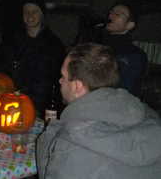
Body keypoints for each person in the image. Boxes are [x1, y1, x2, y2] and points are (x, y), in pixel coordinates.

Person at [37, 43, 161, 179]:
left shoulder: (70, 148)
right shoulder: (151, 118)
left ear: (77, 86)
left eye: (63, 77)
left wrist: (47, 138)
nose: (60, 81)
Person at [0, 1, 65, 117]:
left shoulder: (53, 45)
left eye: (34, 12)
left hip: (39, 105)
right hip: (10, 100)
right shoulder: (12, 40)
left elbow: (53, 82)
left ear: (42, 15)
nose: (30, 15)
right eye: (26, 12)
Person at [101, 3, 148, 97]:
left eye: (118, 14)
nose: (111, 16)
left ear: (130, 25)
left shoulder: (135, 54)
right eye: (111, 12)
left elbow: (127, 87)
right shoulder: (98, 46)